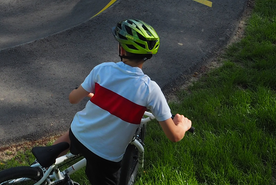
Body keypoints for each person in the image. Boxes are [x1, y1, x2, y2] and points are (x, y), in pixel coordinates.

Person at [47, 19, 192, 185]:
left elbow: (73, 99)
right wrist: (182, 125)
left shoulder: (102, 69)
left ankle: (40, 167)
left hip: (79, 134)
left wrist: (85, 92)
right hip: (105, 155)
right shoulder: (150, 90)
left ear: (121, 49)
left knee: (73, 134)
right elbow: (174, 136)